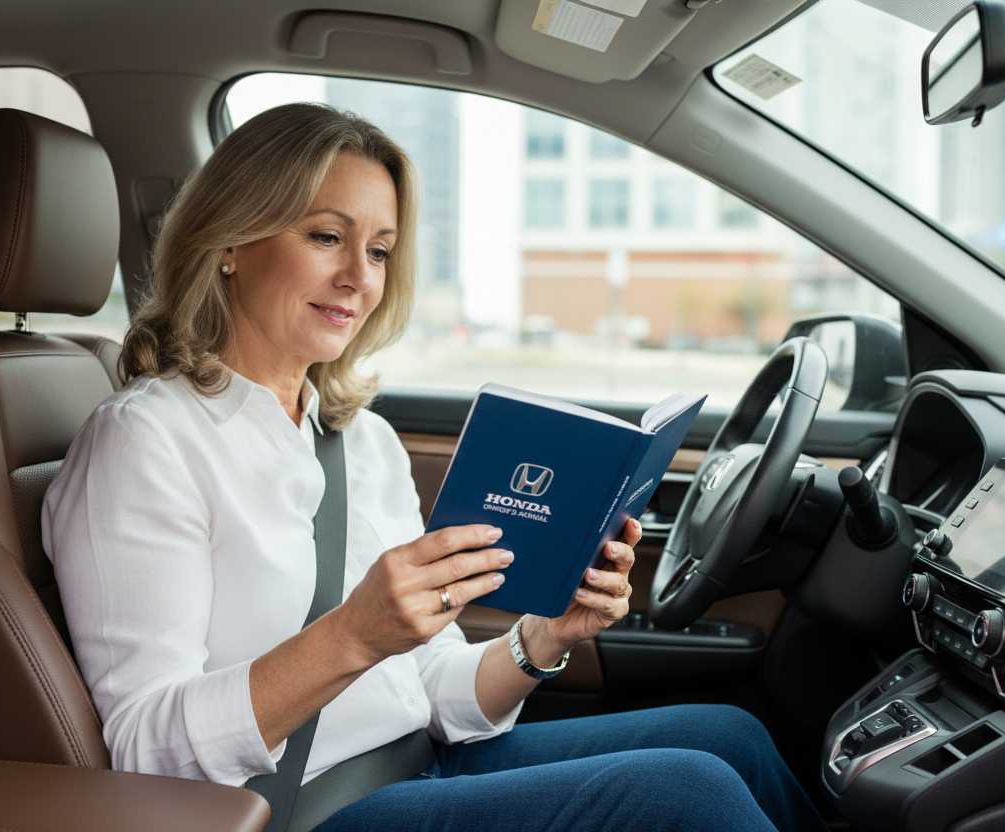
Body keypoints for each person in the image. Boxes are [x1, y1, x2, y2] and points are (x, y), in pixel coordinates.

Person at [42, 102, 827, 832]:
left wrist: (547, 637)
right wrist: (351, 635)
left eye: (379, 250)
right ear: (229, 246)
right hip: (294, 812)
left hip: (420, 765)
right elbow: (143, 750)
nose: (360, 276)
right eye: (326, 237)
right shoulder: (145, 442)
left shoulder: (363, 441)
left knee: (729, 736)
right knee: (686, 793)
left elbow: (430, 691)